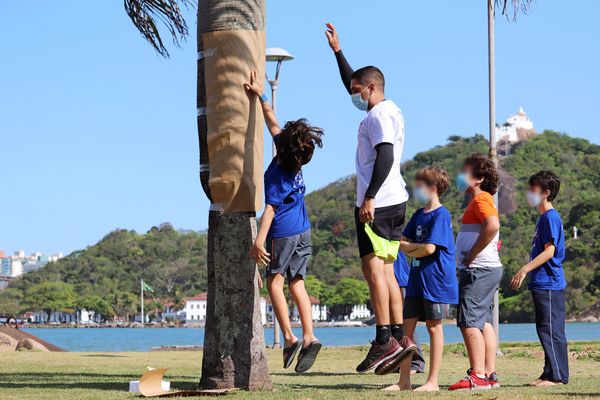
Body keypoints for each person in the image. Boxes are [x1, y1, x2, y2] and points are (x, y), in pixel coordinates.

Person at [325, 22, 415, 374]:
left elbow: (386, 155)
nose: (354, 96)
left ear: (372, 88)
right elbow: (354, 79)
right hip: (396, 199)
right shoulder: (388, 109)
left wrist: (369, 198)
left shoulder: (378, 114)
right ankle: (398, 337)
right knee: (388, 271)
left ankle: (384, 339)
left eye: (358, 91)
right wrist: (337, 52)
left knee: (373, 269)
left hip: (378, 201)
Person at [244, 70, 323, 373]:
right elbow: (271, 118)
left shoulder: (278, 171)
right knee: (297, 283)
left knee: (275, 284)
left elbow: (270, 210)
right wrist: (260, 92)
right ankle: (310, 334)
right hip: (304, 230)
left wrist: (258, 242)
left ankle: (289, 338)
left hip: (285, 232)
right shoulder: (295, 161)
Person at [385, 167, 458, 391]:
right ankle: (404, 381)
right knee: (407, 330)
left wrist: (413, 249)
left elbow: (429, 249)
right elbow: (402, 243)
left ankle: (432, 381)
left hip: (435, 281)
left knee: (435, 328)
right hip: (415, 279)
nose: (416, 189)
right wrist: (416, 248)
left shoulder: (441, 215)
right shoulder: (418, 214)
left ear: (433, 187)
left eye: (420, 184)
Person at [510, 170, 568, 387]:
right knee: (544, 328)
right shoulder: (543, 218)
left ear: (547, 192)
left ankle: (557, 376)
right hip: (542, 282)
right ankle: (548, 372)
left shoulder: (551, 217)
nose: (529, 193)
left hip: (550, 282)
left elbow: (550, 250)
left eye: (533, 189)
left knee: (551, 329)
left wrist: (524, 270)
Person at [449, 154, 502, 391]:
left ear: (479, 178)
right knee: (483, 322)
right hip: (487, 269)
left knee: (469, 322)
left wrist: (471, 255)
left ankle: (478, 375)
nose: (460, 176)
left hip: (479, 269)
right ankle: (489, 374)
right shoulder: (484, 200)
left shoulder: (481, 201)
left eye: (465, 172)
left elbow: (492, 226)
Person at [394, 253, 426, 375]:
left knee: (405, 323)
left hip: (399, 279)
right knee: (395, 323)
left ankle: (416, 362)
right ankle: (399, 361)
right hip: (391, 280)